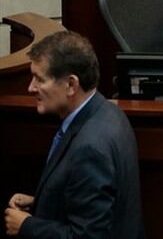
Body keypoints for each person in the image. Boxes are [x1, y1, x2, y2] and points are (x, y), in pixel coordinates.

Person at [4, 31, 144, 238]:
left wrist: (27, 226)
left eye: (39, 79)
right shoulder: (108, 112)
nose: (30, 88)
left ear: (71, 85)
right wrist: (42, 201)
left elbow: (88, 236)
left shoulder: (90, 148)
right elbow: (91, 198)